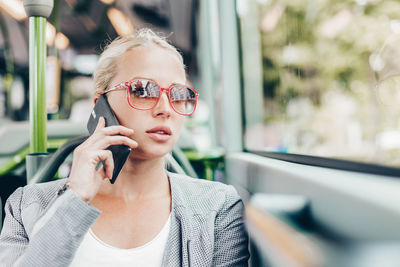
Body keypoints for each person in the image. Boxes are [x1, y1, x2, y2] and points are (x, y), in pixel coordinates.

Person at [0, 28, 249, 266]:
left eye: (178, 95)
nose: (165, 109)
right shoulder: (26, 205)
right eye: (142, 90)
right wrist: (74, 200)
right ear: (101, 104)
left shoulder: (217, 207)